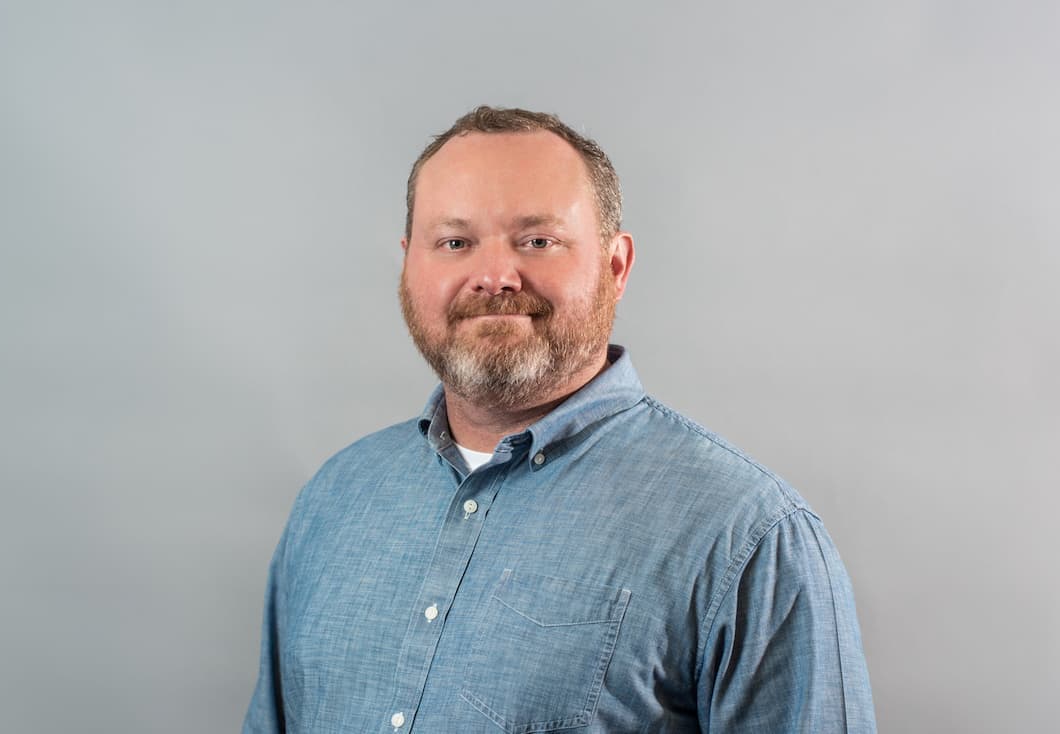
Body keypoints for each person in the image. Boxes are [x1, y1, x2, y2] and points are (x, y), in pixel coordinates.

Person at [243, 106, 877, 733]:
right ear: (409, 264)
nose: (493, 276)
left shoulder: (750, 537)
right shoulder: (333, 500)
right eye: (455, 242)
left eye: (537, 241)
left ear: (616, 265)